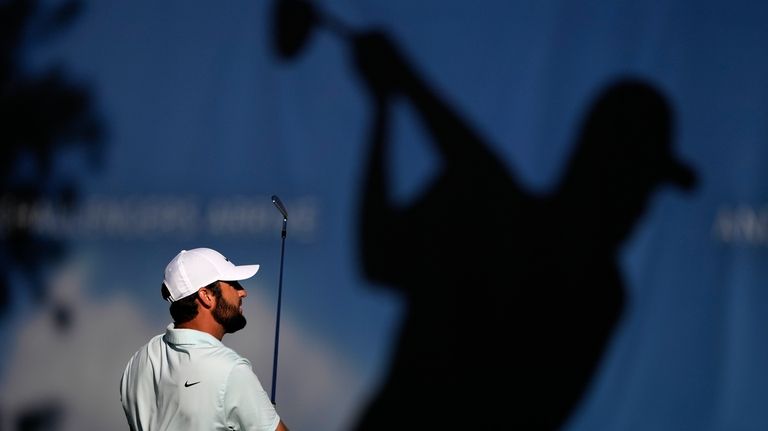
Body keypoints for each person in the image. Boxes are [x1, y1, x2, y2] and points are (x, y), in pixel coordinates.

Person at [120, 247, 289, 431]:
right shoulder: (231, 370)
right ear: (206, 296)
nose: (243, 292)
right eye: (233, 283)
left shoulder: (136, 363)